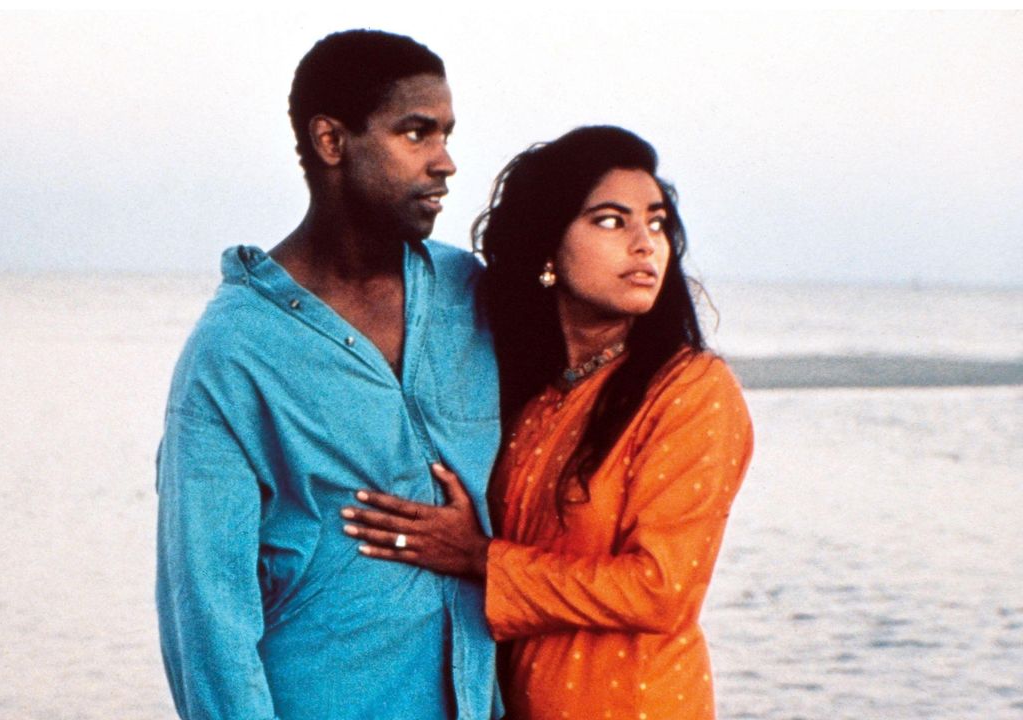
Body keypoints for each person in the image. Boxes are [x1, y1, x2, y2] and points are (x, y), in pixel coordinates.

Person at [343, 126, 754, 720]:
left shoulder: (691, 391)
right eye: (612, 221)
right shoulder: (533, 395)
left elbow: (662, 589)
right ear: (548, 249)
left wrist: (481, 558)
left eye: (657, 222)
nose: (646, 244)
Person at [155, 30, 503, 720]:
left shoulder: (471, 297)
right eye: (416, 133)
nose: (446, 163)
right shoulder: (233, 352)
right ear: (330, 141)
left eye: (447, 134)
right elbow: (207, 616)